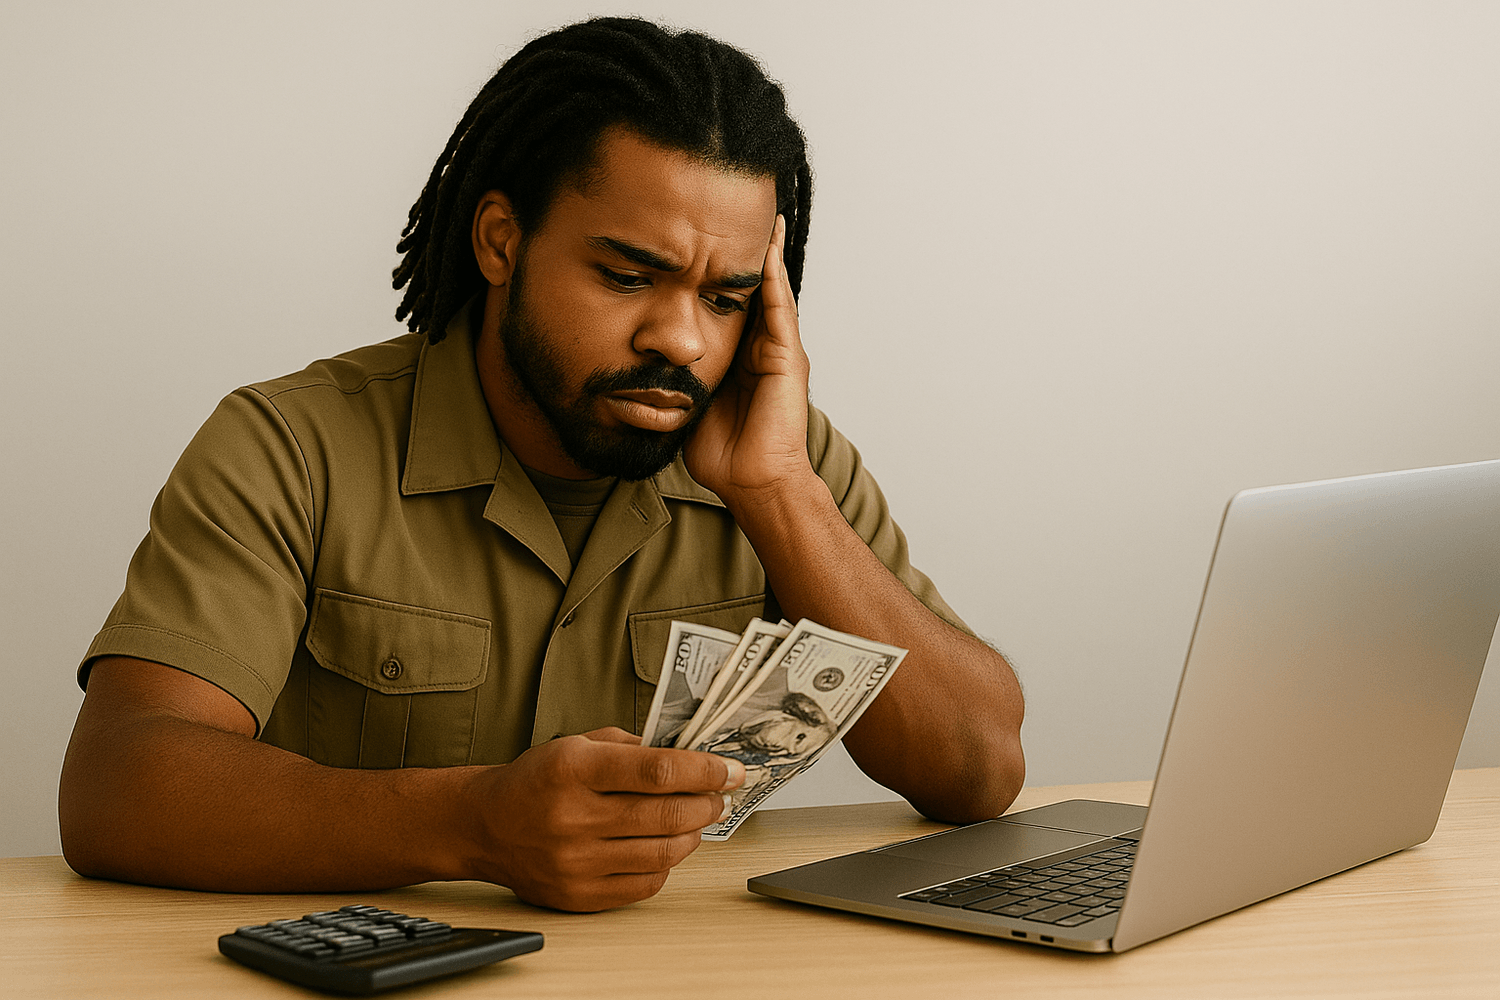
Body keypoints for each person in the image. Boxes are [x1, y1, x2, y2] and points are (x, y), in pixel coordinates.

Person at [58, 16, 1025, 913]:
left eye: (727, 297)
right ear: (500, 241)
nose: (681, 339)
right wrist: (469, 823)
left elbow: (979, 770)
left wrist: (779, 496)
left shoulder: (785, 462)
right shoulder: (289, 447)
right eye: (627, 276)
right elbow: (116, 786)